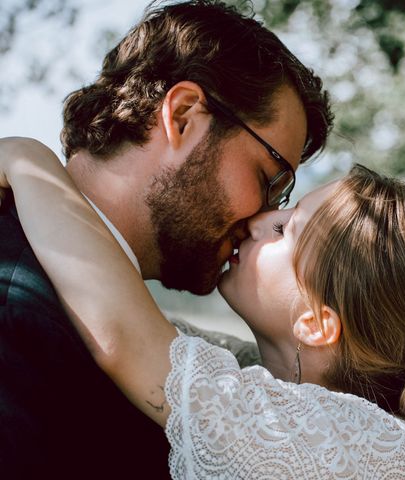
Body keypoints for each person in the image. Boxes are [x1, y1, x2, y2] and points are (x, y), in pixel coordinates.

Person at [0, 138, 405, 479]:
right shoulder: (319, 408)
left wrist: (29, 160)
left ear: (316, 322)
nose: (254, 220)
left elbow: (134, 341)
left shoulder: (356, 446)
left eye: (283, 227)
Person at [0, 0, 332, 477]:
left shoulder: (172, 346)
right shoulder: (16, 305)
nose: (264, 217)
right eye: (270, 180)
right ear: (182, 117)